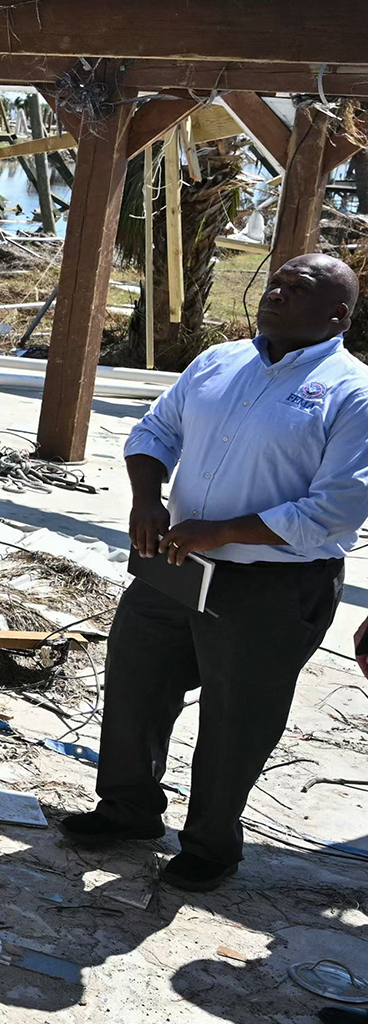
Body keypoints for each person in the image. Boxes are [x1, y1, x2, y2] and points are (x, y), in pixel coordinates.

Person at [62, 253, 368, 891]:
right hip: (174, 567)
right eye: (276, 282)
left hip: (272, 585)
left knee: (238, 717)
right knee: (134, 688)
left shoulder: (353, 392)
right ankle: (128, 810)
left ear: (338, 314)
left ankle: (210, 845)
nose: (277, 292)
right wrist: (147, 497)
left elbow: (337, 510)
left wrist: (226, 529)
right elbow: (154, 432)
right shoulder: (219, 361)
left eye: (298, 288)